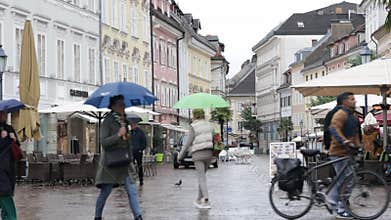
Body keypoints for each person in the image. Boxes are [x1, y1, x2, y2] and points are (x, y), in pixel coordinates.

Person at [94, 95, 143, 220]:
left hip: (125, 163)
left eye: (124, 104)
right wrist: (118, 135)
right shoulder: (107, 122)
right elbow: (104, 142)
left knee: (132, 190)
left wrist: (127, 138)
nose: (124, 107)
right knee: (105, 192)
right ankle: (97, 217)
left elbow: (127, 143)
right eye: (121, 104)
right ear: (114, 106)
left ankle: (138, 216)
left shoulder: (125, 121)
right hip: (112, 163)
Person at [328, 92, 360, 219]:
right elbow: (334, 128)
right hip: (338, 152)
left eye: (354, 99)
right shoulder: (341, 114)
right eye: (352, 99)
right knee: (346, 180)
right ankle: (339, 207)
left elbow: (355, 133)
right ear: (344, 102)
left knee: (349, 179)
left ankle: (334, 200)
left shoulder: (353, 115)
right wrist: (344, 141)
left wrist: (359, 146)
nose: (354, 101)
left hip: (347, 153)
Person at [178, 109, 213, 209]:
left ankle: (206, 200)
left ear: (194, 115)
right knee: (202, 177)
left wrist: (180, 155)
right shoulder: (208, 124)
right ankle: (198, 199)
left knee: (201, 178)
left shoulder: (193, 126)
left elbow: (187, 143)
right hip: (209, 154)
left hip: (198, 154)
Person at [0, 110, 20, 220]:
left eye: (6, 114)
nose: (5, 116)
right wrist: (2, 139)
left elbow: (17, 147)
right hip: (1, 172)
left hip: (9, 168)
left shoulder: (9, 128)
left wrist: (14, 139)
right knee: (6, 198)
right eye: (3, 114)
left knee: (5, 205)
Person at [130, 118, 147, 186]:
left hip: (138, 152)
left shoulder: (140, 132)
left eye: (133, 125)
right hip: (131, 152)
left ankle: (141, 180)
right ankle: (132, 179)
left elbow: (144, 142)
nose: (132, 126)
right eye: (131, 125)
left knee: (139, 166)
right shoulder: (130, 132)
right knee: (131, 166)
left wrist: (141, 149)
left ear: (136, 124)